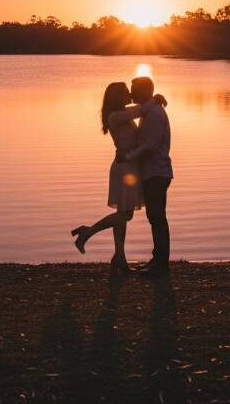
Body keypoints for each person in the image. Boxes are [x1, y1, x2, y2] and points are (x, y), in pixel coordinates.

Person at [71, 82, 165, 273]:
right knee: (125, 214)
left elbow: (140, 109)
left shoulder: (121, 113)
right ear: (117, 96)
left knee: (123, 214)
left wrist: (154, 102)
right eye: (125, 92)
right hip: (124, 168)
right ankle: (87, 232)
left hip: (129, 166)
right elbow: (141, 111)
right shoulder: (116, 116)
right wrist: (156, 100)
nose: (129, 93)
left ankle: (119, 257)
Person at [127, 76, 173, 277]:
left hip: (157, 172)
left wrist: (128, 156)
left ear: (145, 91)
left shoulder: (154, 113)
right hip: (152, 172)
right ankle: (158, 260)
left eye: (134, 89)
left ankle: (161, 262)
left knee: (157, 217)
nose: (131, 93)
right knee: (155, 217)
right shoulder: (149, 110)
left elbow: (151, 146)